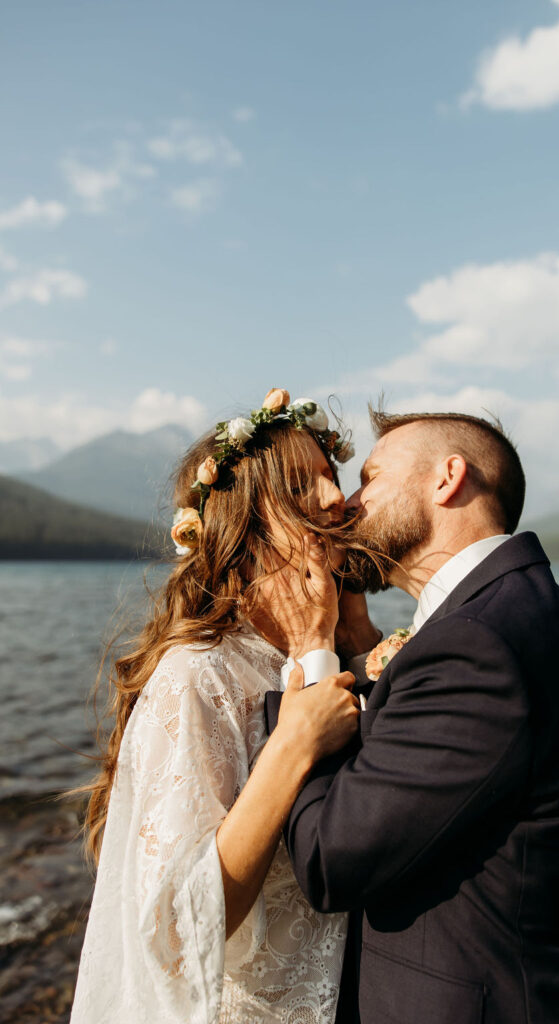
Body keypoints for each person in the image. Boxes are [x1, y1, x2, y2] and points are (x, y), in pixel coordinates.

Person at [270, 407, 559, 1023]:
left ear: (447, 479)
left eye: (372, 476)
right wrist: (360, 642)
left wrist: (311, 649)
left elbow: (329, 859)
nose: (350, 503)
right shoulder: (518, 610)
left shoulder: (477, 643)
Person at [70, 390, 376, 1024]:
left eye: (331, 476)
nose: (333, 499)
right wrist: (291, 747)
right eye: (302, 483)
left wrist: (357, 641)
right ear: (246, 523)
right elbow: (176, 933)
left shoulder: (325, 651)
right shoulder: (197, 674)